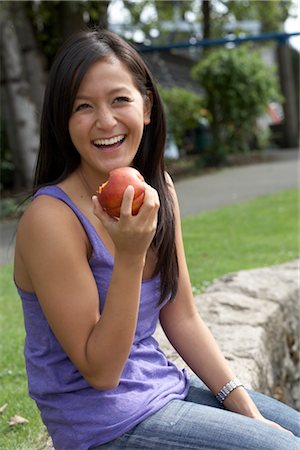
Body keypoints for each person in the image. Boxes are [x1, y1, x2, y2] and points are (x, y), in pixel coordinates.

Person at [14, 29, 300, 450]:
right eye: (83, 107)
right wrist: (129, 256)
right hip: (101, 427)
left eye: (119, 100)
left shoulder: (159, 190)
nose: (106, 121)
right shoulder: (51, 220)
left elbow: (182, 317)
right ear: (63, 120)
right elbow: (101, 372)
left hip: (164, 390)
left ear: (146, 106)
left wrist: (248, 410)